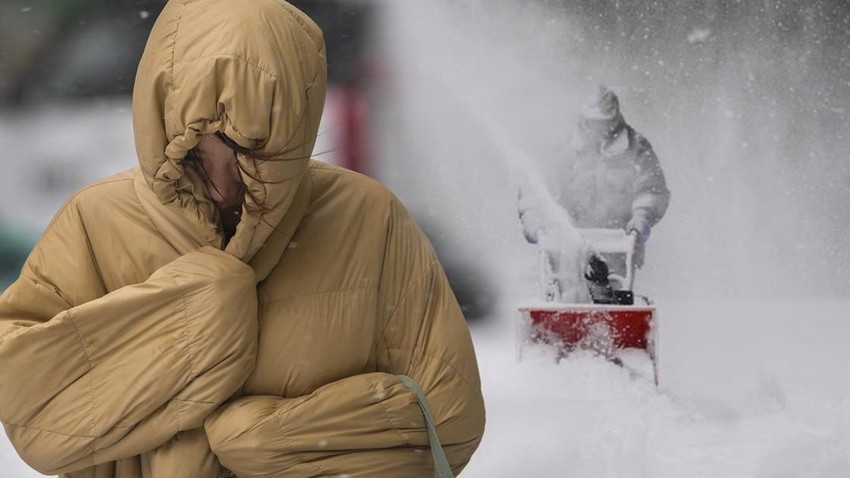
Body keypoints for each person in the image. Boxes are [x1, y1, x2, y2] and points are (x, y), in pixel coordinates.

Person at [0, 1, 485, 477]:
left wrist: (273, 439)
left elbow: (448, 418)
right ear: (159, 124)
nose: (224, 184)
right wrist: (200, 311)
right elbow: (33, 416)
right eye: (192, 154)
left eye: (251, 153)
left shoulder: (367, 219)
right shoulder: (96, 220)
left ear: (293, 129)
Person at [518, 87, 669, 302]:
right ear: (583, 120)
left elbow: (651, 188)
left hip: (619, 244)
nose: (600, 130)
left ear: (616, 119)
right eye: (594, 123)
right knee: (568, 298)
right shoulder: (562, 147)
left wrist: (641, 218)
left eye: (606, 123)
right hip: (565, 244)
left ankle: (612, 331)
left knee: (612, 300)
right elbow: (537, 188)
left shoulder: (636, 148)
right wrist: (534, 219)